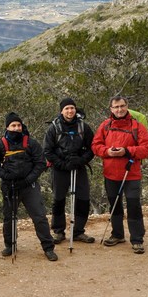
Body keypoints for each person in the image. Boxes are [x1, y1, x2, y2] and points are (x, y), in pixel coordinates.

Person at [0, 112, 58, 261]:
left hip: (29, 186)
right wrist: (5, 176)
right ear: (7, 127)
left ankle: (48, 247)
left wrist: (28, 180)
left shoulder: (31, 143)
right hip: (10, 186)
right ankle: (10, 245)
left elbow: (40, 163)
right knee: (9, 218)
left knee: (39, 217)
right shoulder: (0, 145)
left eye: (18, 125)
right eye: (13, 125)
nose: (16, 128)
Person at [92, 95, 148, 254]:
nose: (119, 110)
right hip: (110, 174)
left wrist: (127, 151)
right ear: (111, 109)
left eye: (122, 106)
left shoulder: (137, 126)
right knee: (115, 205)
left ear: (127, 107)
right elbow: (95, 146)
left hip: (131, 174)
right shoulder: (105, 126)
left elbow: (147, 148)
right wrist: (107, 152)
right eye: (116, 107)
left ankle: (137, 239)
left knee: (133, 206)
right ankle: (117, 235)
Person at [43, 98, 96, 244]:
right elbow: (48, 151)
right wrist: (61, 164)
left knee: (83, 199)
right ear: (61, 111)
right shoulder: (54, 128)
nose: (70, 111)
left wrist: (81, 160)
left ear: (75, 109)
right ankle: (58, 232)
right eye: (66, 108)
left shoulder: (83, 127)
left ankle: (78, 231)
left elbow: (93, 147)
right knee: (58, 200)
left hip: (79, 167)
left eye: (72, 108)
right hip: (60, 168)